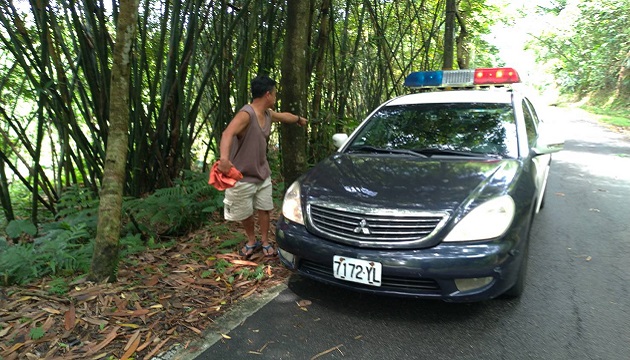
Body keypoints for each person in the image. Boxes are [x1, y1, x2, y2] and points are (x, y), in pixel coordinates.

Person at [217, 75, 307, 258]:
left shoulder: (267, 114)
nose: (275, 97)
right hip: (242, 176)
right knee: (245, 211)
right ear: (268, 95)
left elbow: (284, 116)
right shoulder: (246, 114)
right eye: (274, 93)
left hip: (262, 173)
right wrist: (224, 160)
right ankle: (252, 240)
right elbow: (227, 133)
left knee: (264, 208)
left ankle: (265, 241)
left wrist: (298, 119)